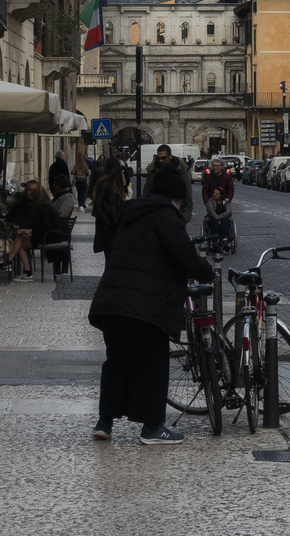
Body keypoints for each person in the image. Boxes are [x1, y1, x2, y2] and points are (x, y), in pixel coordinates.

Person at [87, 163, 215, 445]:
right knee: (152, 362)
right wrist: (209, 273)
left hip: (112, 301)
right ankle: (152, 427)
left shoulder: (130, 213)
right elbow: (185, 254)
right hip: (145, 304)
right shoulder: (165, 216)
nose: (180, 204)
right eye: (180, 199)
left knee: (117, 361)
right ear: (174, 196)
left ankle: (104, 423)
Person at [144, 147, 193, 222]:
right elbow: (146, 193)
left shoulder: (181, 170)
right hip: (157, 214)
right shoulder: (153, 171)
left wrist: (185, 218)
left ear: (170, 156)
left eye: (163, 158)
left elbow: (188, 195)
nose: (160, 160)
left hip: (178, 214)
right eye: (158, 158)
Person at [91, 158, 129, 254]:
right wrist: (108, 224)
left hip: (115, 224)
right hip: (109, 226)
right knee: (110, 256)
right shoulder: (105, 184)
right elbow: (97, 206)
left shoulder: (117, 183)